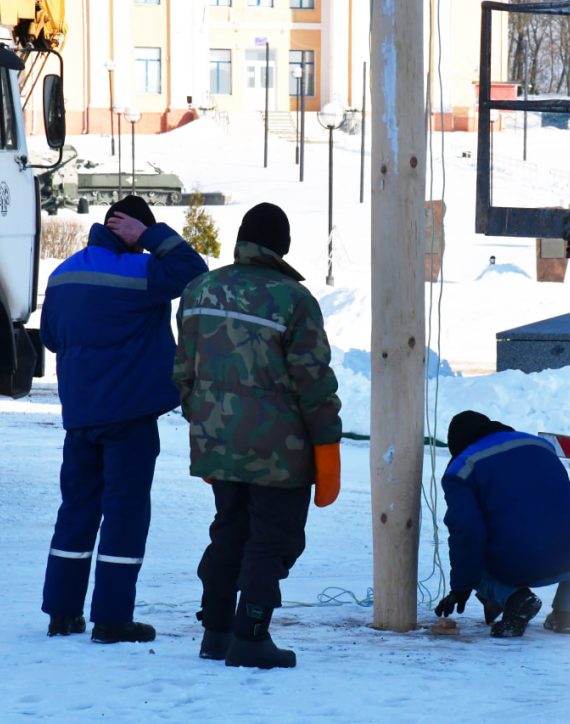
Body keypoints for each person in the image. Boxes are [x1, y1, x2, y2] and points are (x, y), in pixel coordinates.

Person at [173, 202, 342, 669]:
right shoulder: (294, 301)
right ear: (282, 246)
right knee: (272, 539)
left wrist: (206, 427)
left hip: (217, 443)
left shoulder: (199, 290)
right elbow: (314, 384)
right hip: (279, 453)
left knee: (229, 530)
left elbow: (184, 373)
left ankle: (216, 632)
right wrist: (327, 445)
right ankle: (251, 635)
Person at [40, 195, 207, 644]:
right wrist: (153, 237)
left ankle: (62, 613)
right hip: (129, 416)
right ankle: (112, 619)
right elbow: (194, 273)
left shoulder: (62, 274)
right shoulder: (142, 271)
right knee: (124, 513)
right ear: (135, 233)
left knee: (76, 510)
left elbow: (51, 338)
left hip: (80, 417)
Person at [435, 411, 570, 638]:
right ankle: (566, 613)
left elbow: (467, 533)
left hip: (522, 563)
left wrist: (461, 587)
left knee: (474, 548)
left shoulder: (461, 469)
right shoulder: (540, 445)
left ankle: (516, 599)